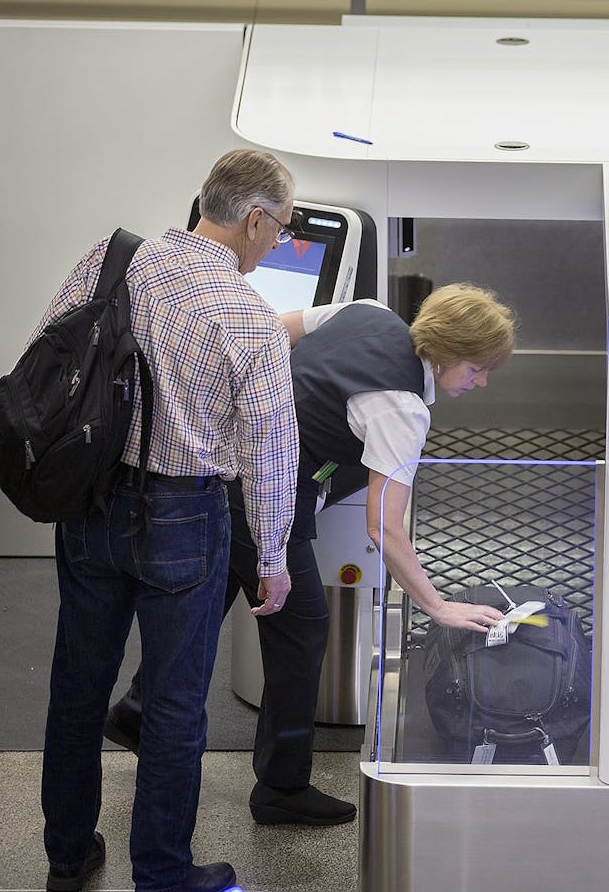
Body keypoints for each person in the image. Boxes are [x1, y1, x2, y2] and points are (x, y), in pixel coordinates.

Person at [105, 284, 516, 826]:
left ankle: (137, 712)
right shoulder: (402, 408)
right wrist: (439, 606)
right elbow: (385, 528)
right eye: (477, 367)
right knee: (302, 629)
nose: (482, 381)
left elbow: (272, 330)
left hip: (218, 461)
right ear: (443, 351)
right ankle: (281, 788)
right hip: (267, 495)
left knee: (213, 597)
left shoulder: (366, 312)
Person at [38, 150, 300, 892]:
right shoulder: (249, 315)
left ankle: (67, 856)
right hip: (185, 513)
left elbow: (46, 357)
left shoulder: (112, 260)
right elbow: (272, 450)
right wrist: (272, 555)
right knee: (179, 705)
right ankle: (161, 871)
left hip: (90, 503)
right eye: (278, 231)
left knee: (78, 687)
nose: (273, 243)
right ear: (254, 219)